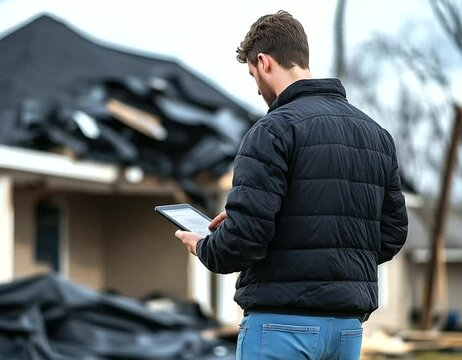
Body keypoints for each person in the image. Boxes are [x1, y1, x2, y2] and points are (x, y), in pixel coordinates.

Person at [175, 10, 408, 360]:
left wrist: (205, 246)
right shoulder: (376, 135)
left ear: (264, 62)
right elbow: (392, 234)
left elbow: (244, 242)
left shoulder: (272, 131)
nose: (256, 89)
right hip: (346, 330)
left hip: (279, 327)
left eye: (253, 75)